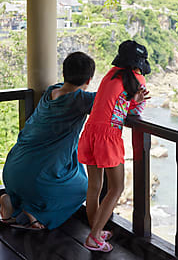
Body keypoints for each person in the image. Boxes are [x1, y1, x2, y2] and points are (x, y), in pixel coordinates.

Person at [0, 51, 96, 230]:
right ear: (89, 80)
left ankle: (12, 204)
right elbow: (113, 102)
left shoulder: (51, 91)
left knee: (51, 173)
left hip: (11, 171)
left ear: (64, 73)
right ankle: (35, 214)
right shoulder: (82, 99)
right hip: (37, 181)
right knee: (83, 188)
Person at [78, 40, 151, 252]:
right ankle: (93, 238)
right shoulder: (138, 80)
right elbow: (135, 113)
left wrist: (130, 99)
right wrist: (135, 99)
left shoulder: (110, 74)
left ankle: (96, 231)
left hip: (90, 131)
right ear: (139, 64)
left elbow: (114, 101)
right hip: (108, 136)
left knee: (95, 187)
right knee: (117, 187)